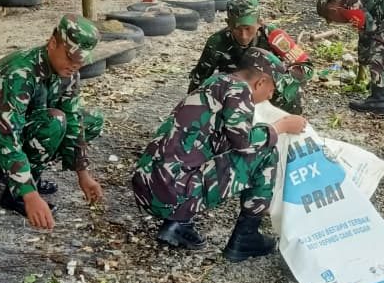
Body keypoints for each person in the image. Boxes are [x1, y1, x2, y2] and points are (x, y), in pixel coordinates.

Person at [132, 48, 308, 260]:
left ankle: (177, 223)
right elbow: (243, 142)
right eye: (272, 88)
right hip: (172, 193)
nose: (271, 95)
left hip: (147, 187)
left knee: (212, 151)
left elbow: (219, 141)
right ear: (260, 82)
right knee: (264, 152)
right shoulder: (239, 90)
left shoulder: (216, 82)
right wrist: (281, 126)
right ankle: (246, 238)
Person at [0, 14, 105, 230]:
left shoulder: (67, 71)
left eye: (80, 60)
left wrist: (83, 174)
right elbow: (7, 135)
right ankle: (16, 194)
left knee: (91, 121)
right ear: (52, 43)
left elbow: (74, 121)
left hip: (23, 129)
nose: (74, 66)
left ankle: (15, 174)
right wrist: (29, 195)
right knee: (54, 122)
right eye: (70, 57)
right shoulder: (18, 73)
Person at [188, 0, 313, 114]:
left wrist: (280, 83)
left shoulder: (273, 36)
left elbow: (306, 67)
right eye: (237, 29)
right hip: (235, 93)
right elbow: (199, 79)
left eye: (248, 29)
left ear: (260, 23)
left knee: (291, 92)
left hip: (270, 90)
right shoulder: (217, 43)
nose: (243, 35)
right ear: (228, 23)